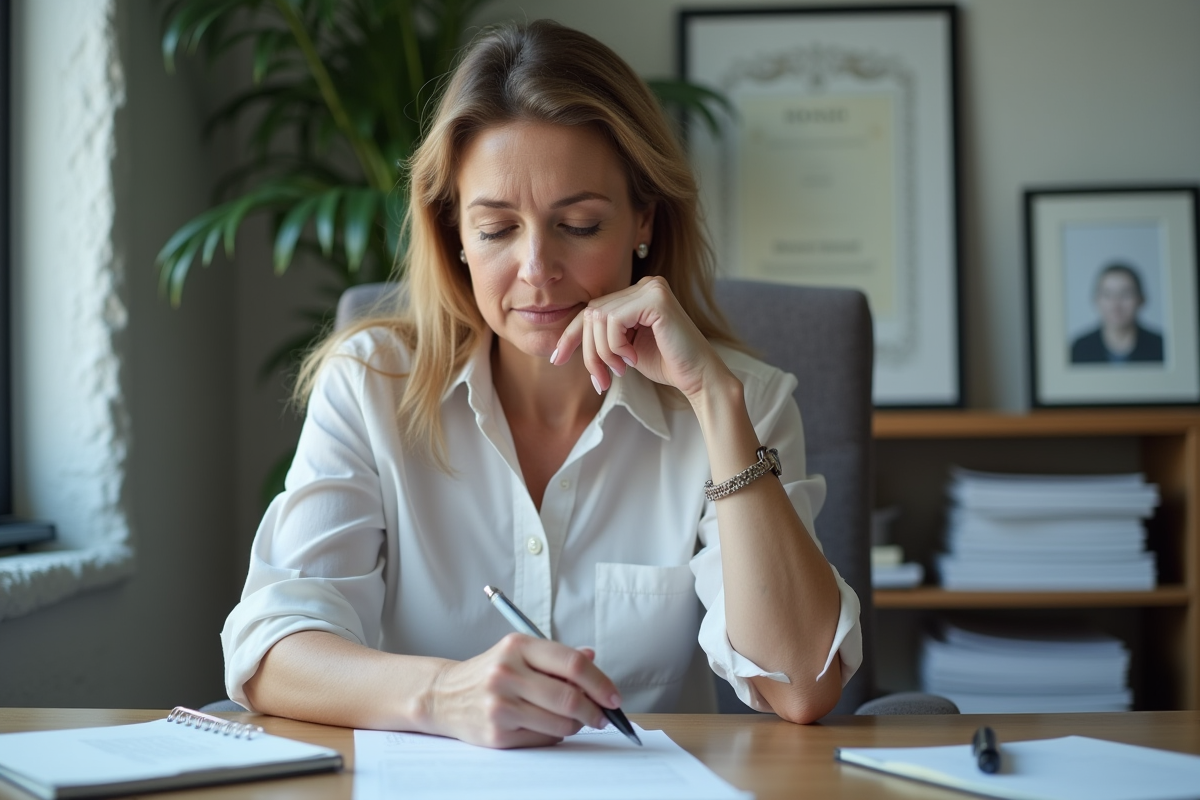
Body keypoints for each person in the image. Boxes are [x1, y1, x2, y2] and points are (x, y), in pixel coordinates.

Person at [221, 19, 862, 749]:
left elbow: (802, 686)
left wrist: (714, 405)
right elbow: (270, 651)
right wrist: (441, 695)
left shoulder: (740, 402)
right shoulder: (370, 387)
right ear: (455, 234)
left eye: (580, 225)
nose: (537, 269)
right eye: (496, 229)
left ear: (641, 221)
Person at [1070, 262, 1164, 364]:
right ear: (1096, 300)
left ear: (1141, 299)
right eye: (1107, 295)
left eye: (1125, 294)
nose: (1115, 305)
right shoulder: (1079, 349)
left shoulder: (1162, 347)